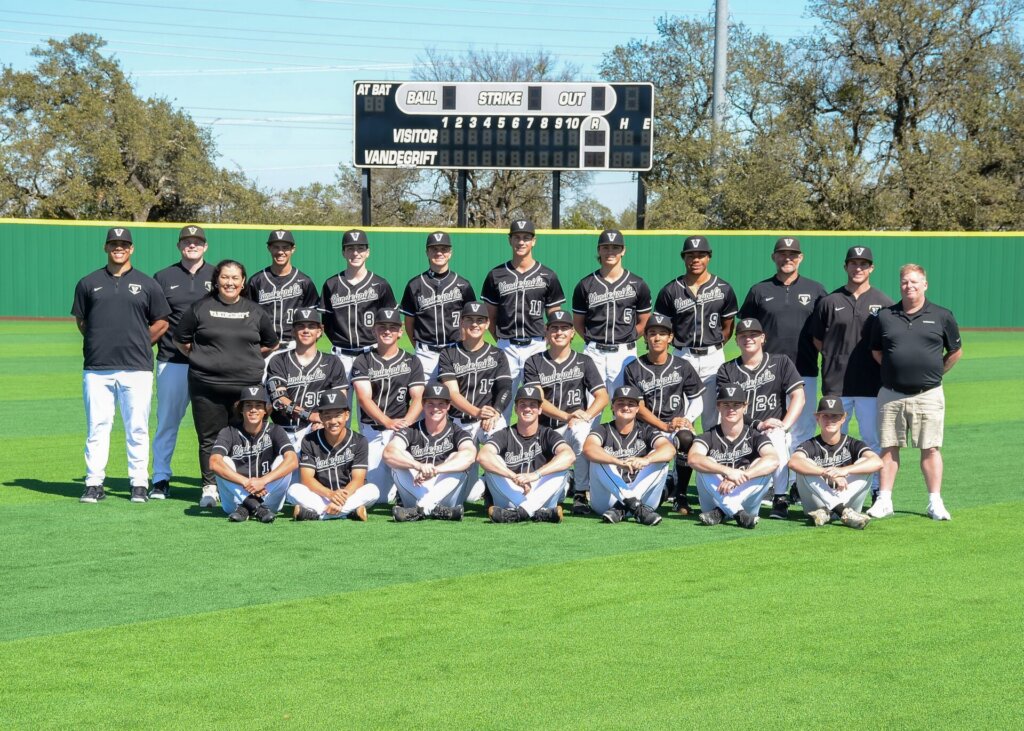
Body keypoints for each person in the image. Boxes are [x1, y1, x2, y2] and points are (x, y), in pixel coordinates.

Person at [72, 227, 170, 503]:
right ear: (106, 247)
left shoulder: (147, 283)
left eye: (124, 244)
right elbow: (82, 321)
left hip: (136, 367)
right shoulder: (88, 282)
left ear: (131, 249)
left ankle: (139, 482)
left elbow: (162, 321)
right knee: (97, 426)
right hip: (97, 367)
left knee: (137, 427)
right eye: (114, 244)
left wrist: (139, 341)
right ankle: (94, 483)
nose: (119, 248)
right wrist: (100, 341)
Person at [174, 259, 279, 507]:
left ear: (243, 282)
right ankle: (210, 488)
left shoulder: (255, 311)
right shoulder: (200, 308)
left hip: (246, 390)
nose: (229, 283)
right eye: (224, 277)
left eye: (235, 278)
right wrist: (202, 359)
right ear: (216, 280)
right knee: (209, 438)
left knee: (246, 437)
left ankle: (242, 486)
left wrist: (247, 358)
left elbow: (271, 343)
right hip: (206, 386)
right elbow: (181, 340)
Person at [868, 264, 962, 521]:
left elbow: (955, 351)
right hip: (891, 394)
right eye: (904, 282)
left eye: (914, 282)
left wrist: (935, 373)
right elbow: (877, 351)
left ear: (925, 284)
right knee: (888, 447)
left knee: (930, 448)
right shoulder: (885, 316)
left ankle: (935, 502)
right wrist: (895, 372)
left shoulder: (942, 315)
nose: (909, 286)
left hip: (928, 394)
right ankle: (884, 500)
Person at [811, 246, 893, 495]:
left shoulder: (884, 303)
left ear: (871, 268)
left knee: (872, 439)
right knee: (833, 439)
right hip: (836, 383)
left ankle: (876, 489)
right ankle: (834, 489)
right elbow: (818, 339)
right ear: (845, 266)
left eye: (864, 264)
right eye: (854, 263)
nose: (858, 268)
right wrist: (836, 357)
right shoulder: (829, 301)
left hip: (871, 383)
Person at [738, 236, 826, 448]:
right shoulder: (759, 290)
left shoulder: (816, 290)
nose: (787, 258)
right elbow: (746, 330)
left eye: (792, 254)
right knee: (767, 426)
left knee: (802, 428)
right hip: (767, 372)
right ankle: (766, 467)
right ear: (773, 257)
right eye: (782, 254)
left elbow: (825, 329)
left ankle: (796, 470)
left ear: (800, 258)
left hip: (804, 368)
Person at [716, 318, 805, 518]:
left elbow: (798, 396)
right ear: (736, 341)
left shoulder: (781, 362)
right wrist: (758, 424)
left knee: (776, 436)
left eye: (753, 335)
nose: (748, 339)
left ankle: (780, 497)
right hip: (740, 430)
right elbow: (726, 408)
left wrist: (784, 425)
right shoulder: (727, 369)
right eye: (743, 336)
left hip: (771, 431)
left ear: (763, 338)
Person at [150, 225, 215, 500]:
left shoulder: (218, 275)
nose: (192, 245)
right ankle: (160, 478)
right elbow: (154, 318)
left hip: (210, 362)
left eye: (197, 241)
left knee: (211, 426)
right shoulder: (163, 277)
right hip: (172, 360)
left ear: (205, 246)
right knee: (167, 421)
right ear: (179, 246)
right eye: (187, 241)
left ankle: (212, 482)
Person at [522, 310, 609, 515]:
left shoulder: (584, 361)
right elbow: (538, 400)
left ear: (572, 333)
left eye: (564, 328)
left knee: (581, 433)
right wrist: (566, 416)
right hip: (545, 430)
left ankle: (581, 492)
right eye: (554, 328)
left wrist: (586, 415)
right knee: (550, 495)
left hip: (573, 426)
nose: (559, 332)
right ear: (546, 332)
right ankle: (568, 481)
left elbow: (603, 396)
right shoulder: (534, 362)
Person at [480, 219, 565, 417]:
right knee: (501, 404)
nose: (521, 242)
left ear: (533, 241)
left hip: (536, 346)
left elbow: (555, 318)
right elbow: (490, 317)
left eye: (526, 237)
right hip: (506, 346)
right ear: (509, 240)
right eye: (517, 237)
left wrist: (547, 342)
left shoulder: (547, 275)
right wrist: (501, 340)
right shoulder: (496, 275)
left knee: (540, 404)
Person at [623, 312, 705, 515]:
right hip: (645, 429)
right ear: (645, 337)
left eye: (662, 333)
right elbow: (638, 407)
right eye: (652, 333)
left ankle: (681, 495)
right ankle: (668, 484)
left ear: (670, 337)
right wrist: (663, 426)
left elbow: (697, 399)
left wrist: (686, 419)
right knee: (647, 496)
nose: (657, 338)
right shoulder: (634, 368)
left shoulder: (682, 365)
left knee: (686, 438)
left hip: (675, 427)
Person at [654, 234, 738, 432]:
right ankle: (683, 452)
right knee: (682, 416)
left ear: (709, 257)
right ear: (683, 257)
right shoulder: (670, 290)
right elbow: (663, 328)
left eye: (701, 255)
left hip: (713, 357)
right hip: (683, 355)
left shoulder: (723, 288)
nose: (696, 259)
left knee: (713, 416)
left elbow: (728, 326)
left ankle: (711, 452)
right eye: (690, 255)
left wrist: (715, 346)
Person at [437, 301, 513, 501]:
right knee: (468, 496)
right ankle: (483, 485)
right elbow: (452, 393)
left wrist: (496, 412)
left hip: (489, 420)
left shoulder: (498, 354)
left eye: (480, 320)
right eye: (470, 319)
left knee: (498, 444)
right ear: (461, 322)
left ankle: (500, 494)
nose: (474, 324)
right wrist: (477, 412)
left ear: (487, 324)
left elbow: (505, 388)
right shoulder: (448, 353)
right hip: (459, 423)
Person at [350, 307, 426, 504]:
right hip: (374, 432)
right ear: (374, 330)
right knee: (380, 498)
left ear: (400, 332)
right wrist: (387, 422)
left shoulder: (412, 360)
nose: (387, 331)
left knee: (418, 488)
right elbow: (364, 398)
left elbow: (418, 397)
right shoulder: (363, 360)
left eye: (392, 327)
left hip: (402, 432)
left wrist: (406, 424)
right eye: (382, 327)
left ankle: (402, 488)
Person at [477, 386, 576, 524]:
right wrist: (512, 476)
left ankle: (520, 513)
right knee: (493, 461)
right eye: (522, 404)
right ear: (516, 409)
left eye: (533, 405)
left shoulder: (548, 434)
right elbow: (483, 456)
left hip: (541, 492)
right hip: (512, 491)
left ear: (540, 410)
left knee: (561, 465)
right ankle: (538, 513)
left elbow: (569, 456)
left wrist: (535, 475)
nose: (528, 409)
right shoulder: (505, 434)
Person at [687, 383, 780, 529]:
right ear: (718, 406)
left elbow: (773, 460)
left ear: (745, 407)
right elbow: (693, 458)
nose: (731, 409)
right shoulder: (708, 436)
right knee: (705, 462)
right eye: (726, 404)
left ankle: (722, 511)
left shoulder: (755, 436)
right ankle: (736, 512)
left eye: (736, 404)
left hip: (745, 502)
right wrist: (728, 472)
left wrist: (741, 477)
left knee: (762, 464)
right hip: (713, 499)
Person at [571, 229, 651, 393]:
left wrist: (628, 338)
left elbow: (644, 321)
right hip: (594, 353)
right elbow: (578, 323)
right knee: (591, 404)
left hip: (625, 353)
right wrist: (593, 341)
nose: (610, 252)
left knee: (624, 403)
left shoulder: (638, 284)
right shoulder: (585, 284)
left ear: (623, 250)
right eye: (605, 247)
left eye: (615, 247)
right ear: (599, 250)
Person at [583, 386, 677, 526]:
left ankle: (623, 507)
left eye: (631, 404)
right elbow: (588, 448)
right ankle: (633, 505)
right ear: (612, 407)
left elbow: (669, 449)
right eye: (620, 403)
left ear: (638, 408)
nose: (626, 407)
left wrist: (646, 460)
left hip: (643, 498)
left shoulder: (646, 430)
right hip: (607, 500)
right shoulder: (603, 429)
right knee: (599, 457)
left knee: (659, 457)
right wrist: (617, 462)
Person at [383, 383, 477, 522]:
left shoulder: (457, 432)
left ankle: (421, 509)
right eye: (430, 403)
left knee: (458, 458)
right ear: (423, 404)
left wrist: (435, 471)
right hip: (417, 487)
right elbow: (388, 453)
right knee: (401, 459)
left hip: (445, 491)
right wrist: (418, 466)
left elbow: (470, 456)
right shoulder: (411, 430)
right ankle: (435, 510)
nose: (435, 408)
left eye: (441, 404)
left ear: (448, 406)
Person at [264, 308, 348, 458]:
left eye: (311, 326)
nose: (306, 330)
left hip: (315, 430)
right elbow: (279, 400)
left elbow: (340, 402)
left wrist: (324, 421)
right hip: (283, 433)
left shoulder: (332, 362)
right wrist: (309, 415)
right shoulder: (278, 361)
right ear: (293, 331)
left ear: (320, 331)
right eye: (301, 326)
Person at [788, 396, 881, 529]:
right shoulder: (810, 445)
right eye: (825, 415)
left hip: (844, 504)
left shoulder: (853, 443)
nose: (830, 420)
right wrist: (826, 473)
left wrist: (844, 470)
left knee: (865, 463)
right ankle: (842, 511)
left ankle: (830, 510)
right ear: (817, 418)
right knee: (805, 464)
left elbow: (877, 462)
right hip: (816, 504)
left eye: (835, 416)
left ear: (843, 418)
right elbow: (793, 462)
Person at [209, 386, 298, 523]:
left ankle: (248, 507)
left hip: (269, 499)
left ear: (265, 410)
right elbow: (214, 463)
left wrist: (263, 481)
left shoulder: (275, 430)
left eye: (258, 406)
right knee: (223, 462)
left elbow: (293, 461)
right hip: (234, 501)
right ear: (241, 409)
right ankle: (254, 505)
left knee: (284, 460)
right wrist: (245, 482)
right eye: (248, 405)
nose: (253, 410)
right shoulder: (229, 432)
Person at [289, 388, 378, 522]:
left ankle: (319, 514)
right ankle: (348, 513)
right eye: (327, 416)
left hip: (349, 495)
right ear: (320, 417)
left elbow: (358, 480)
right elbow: (306, 479)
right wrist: (330, 494)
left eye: (338, 415)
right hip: (321, 495)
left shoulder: (359, 441)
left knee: (372, 490)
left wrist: (340, 499)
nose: (333, 421)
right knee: (294, 490)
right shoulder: (309, 440)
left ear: (347, 415)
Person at [400, 231, 476, 379]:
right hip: (426, 354)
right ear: (427, 252)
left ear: (450, 253)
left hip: (455, 350)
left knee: (456, 394)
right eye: (434, 249)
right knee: (423, 394)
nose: (439, 253)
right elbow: (409, 323)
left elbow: (470, 320)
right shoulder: (415, 285)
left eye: (444, 249)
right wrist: (419, 348)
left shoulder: (463, 285)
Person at [321, 229, 397, 377]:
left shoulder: (380, 284)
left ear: (367, 252)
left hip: (372, 353)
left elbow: (390, 321)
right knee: (340, 393)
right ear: (343, 253)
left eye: (360, 248)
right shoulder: (331, 284)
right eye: (350, 248)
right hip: (341, 355)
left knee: (371, 393)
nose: (355, 253)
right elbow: (327, 324)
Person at [246, 229, 318, 348]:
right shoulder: (256, 280)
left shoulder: (305, 282)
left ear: (293, 249)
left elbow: (312, 320)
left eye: (285, 247)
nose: (280, 252)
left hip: (294, 345)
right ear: (269, 248)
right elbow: (248, 317)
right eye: (276, 247)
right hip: (264, 346)